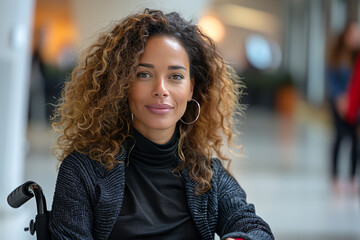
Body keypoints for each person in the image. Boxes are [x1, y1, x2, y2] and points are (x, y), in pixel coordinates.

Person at [49, 9, 274, 240]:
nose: (161, 90)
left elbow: (256, 230)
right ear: (122, 84)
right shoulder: (83, 171)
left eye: (175, 76)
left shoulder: (207, 175)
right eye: (144, 74)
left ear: (191, 88)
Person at [326, 21, 360, 193]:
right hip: (338, 104)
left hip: (356, 107)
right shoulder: (336, 56)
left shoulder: (357, 59)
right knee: (339, 138)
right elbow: (331, 80)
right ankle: (336, 177)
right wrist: (340, 99)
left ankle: (353, 177)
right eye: (353, 34)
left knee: (356, 140)